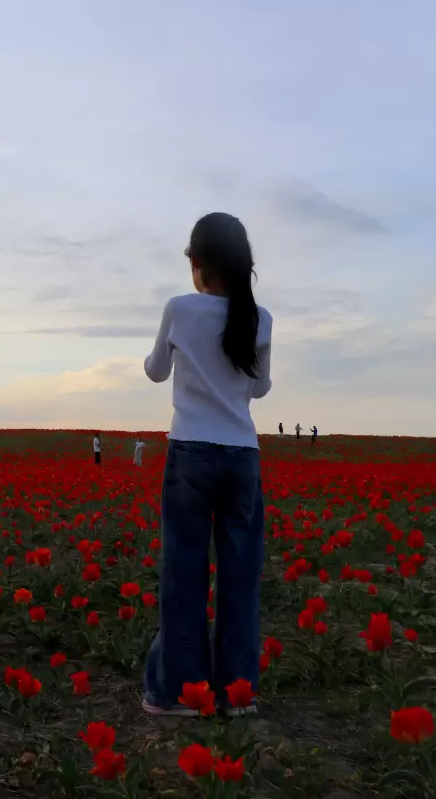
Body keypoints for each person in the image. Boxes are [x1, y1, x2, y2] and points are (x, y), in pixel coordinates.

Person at [140, 212, 272, 718]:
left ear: (196, 263)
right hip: (242, 454)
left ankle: (179, 693)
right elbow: (259, 388)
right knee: (240, 574)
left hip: (191, 451)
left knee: (184, 570)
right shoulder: (259, 318)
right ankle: (238, 693)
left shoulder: (180, 309)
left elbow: (155, 372)